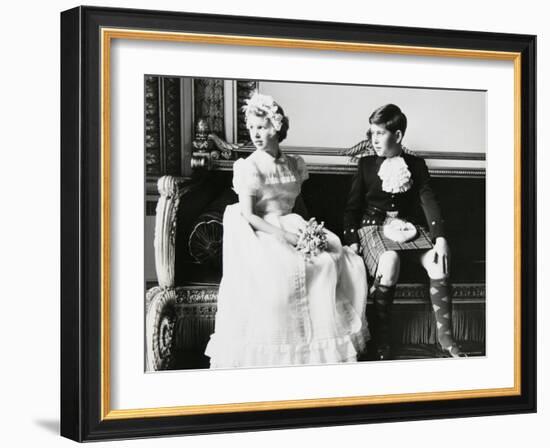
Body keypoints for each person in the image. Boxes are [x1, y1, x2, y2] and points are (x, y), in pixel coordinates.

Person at [205, 93, 369, 368]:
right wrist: (284, 236)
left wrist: (309, 233)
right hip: (261, 229)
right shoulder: (250, 166)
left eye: (263, 127)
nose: (256, 134)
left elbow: (297, 206)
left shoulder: (294, 163)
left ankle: (318, 350)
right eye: (253, 128)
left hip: (293, 222)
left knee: (332, 260)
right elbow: (248, 214)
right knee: (283, 274)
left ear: (277, 127)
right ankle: (283, 351)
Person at [343, 104, 464, 360]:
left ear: (397, 136)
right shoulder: (365, 165)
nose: (373, 139)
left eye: (380, 133)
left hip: (410, 228)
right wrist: (352, 240)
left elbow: (428, 201)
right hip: (373, 228)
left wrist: (440, 240)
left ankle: (446, 340)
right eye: (372, 133)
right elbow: (351, 209)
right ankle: (382, 339)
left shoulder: (417, 166)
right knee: (390, 260)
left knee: (438, 262)